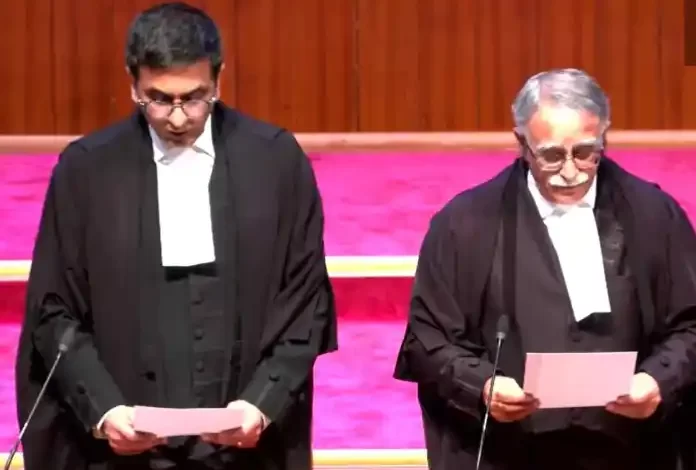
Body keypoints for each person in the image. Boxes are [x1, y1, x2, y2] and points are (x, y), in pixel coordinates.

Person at [14, 3, 337, 469]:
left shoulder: (275, 162)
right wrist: (102, 409)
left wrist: (263, 403)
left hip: (245, 448)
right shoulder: (86, 170)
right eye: (159, 99)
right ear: (133, 84)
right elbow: (54, 308)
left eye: (195, 97)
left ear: (219, 79)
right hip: (122, 451)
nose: (179, 118)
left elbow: (305, 301)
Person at [393, 68, 696, 470]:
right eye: (552, 155)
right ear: (522, 143)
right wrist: (482, 386)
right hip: (512, 452)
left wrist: (659, 380)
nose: (570, 171)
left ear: (604, 137)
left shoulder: (654, 215)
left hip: (629, 452)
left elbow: (690, 325)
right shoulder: (465, 225)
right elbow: (428, 340)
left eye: (586, 152)